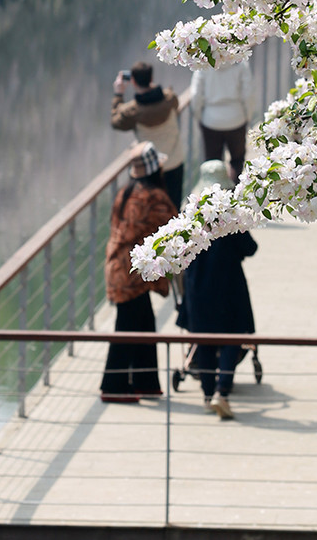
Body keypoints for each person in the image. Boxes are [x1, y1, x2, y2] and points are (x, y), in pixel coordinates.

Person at [177, 159, 257, 419]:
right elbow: (250, 249)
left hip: (198, 287)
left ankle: (207, 395)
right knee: (232, 338)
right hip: (229, 285)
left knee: (205, 342)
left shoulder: (189, 214)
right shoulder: (231, 214)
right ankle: (223, 393)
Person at [100, 143, 177, 403]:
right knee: (128, 327)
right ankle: (114, 386)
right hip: (133, 271)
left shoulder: (127, 192)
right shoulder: (154, 196)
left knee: (143, 323)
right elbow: (175, 225)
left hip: (118, 266)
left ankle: (146, 382)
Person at [111, 61, 185, 207]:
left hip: (151, 168)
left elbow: (115, 122)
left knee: (154, 210)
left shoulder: (132, 112)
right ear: (151, 78)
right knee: (174, 207)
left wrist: (118, 94)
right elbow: (175, 106)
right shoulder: (170, 98)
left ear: (132, 81)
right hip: (175, 161)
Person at [191, 57, 255, 182]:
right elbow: (248, 94)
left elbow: (196, 95)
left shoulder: (203, 65)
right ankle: (234, 192)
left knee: (213, 163)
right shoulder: (240, 63)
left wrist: (200, 116)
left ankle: (216, 194)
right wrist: (247, 116)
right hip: (236, 118)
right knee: (237, 160)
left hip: (211, 121)